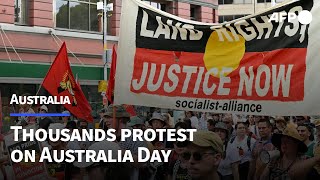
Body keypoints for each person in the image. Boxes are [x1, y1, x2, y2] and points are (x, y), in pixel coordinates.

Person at [104, 104, 148, 180]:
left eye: (109, 117)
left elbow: (142, 162)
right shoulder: (106, 137)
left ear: (120, 119)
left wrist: (121, 151)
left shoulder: (136, 138)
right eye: (105, 118)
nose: (106, 121)